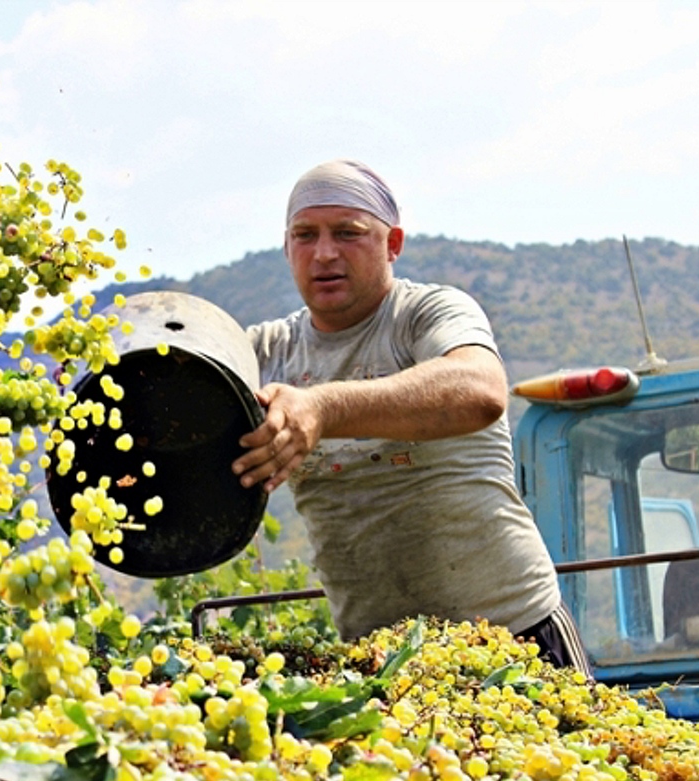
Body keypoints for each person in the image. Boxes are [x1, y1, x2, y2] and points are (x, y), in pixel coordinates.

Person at [233, 159, 590, 675]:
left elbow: (481, 390)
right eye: (305, 235)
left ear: (392, 243)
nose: (325, 253)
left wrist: (324, 406)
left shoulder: (426, 314)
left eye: (348, 233)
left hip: (517, 636)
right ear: (287, 248)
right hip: (382, 662)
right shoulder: (268, 351)